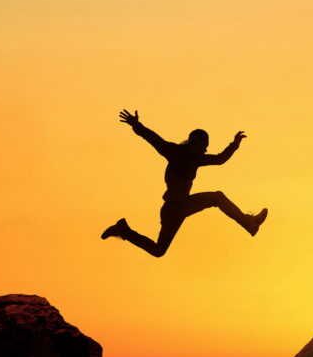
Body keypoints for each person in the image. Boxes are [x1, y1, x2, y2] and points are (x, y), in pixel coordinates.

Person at [101, 109, 268, 257]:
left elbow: (219, 159)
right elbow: (154, 139)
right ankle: (249, 223)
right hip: (177, 206)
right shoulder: (175, 153)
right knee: (217, 198)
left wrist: (234, 145)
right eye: (204, 146)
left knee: (159, 250)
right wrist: (136, 125)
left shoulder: (197, 158)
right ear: (194, 143)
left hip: (173, 210)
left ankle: (124, 231)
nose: (205, 150)